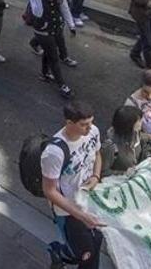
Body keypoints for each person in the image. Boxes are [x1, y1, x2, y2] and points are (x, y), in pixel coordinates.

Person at [41, 102, 104, 269]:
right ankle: (58, 253)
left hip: (88, 198)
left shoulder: (93, 132)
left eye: (91, 122)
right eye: (84, 125)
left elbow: (97, 154)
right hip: (67, 210)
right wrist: (81, 216)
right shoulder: (54, 152)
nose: (89, 128)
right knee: (85, 252)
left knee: (96, 240)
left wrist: (96, 176)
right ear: (69, 123)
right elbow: (49, 190)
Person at [29, 0, 78, 98]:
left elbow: (63, 6)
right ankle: (62, 85)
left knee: (49, 52)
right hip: (43, 30)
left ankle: (44, 73)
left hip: (56, 27)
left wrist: (71, 25)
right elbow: (38, 12)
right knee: (53, 57)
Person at [100, 106, 151, 177]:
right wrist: (124, 173)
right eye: (139, 121)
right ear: (129, 124)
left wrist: (149, 155)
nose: (142, 122)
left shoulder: (136, 134)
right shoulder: (110, 146)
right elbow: (103, 172)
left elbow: (144, 148)